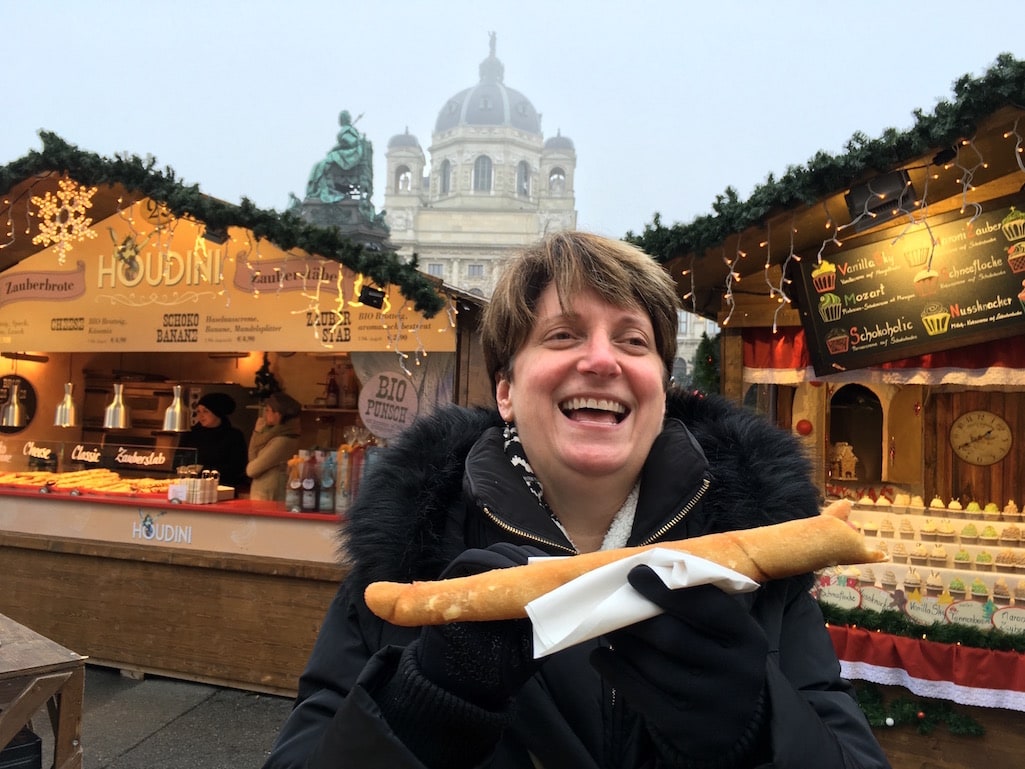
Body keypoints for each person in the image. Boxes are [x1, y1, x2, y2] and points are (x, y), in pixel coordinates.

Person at [262, 231, 891, 769]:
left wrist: (760, 732)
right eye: (562, 335)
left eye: (634, 341)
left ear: (664, 390)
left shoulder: (758, 555)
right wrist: (421, 711)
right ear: (506, 391)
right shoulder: (408, 551)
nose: (601, 360)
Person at [177, 392, 247, 490]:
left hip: (222, 488)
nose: (200, 416)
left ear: (218, 413)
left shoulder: (233, 436)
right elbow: (178, 460)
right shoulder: (190, 433)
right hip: (190, 486)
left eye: (205, 411)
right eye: (198, 412)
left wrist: (204, 468)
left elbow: (237, 467)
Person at [246, 392, 303, 501]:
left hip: (269, 498)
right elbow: (252, 459)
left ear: (278, 414)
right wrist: (257, 434)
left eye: (267, 410)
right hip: (261, 497)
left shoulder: (284, 441)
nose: (264, 414)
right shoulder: (270, 436)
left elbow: (251, 470)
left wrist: (257, 434)